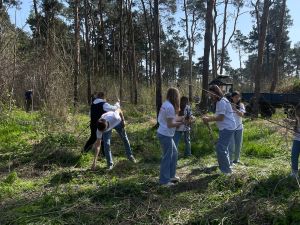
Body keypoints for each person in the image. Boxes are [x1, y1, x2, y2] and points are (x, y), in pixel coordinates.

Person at [202, 85, 236, 175]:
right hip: (226, 127)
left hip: (227, 127)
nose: (210, 95)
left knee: (220, 148)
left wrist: (208, 119)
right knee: (224, 148)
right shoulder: (220, 101)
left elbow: (220, 117)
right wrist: (209, 117)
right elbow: (219, 116)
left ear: (215, 92)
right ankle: (227, 166)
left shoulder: (221, 102)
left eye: (211, 93)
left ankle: (226, 171)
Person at [157, 87, 184, 186]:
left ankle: (171, 175)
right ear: (176, 96)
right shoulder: (169, 107)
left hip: (165, 133)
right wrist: (183, 123)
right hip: (165, 134)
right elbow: (170, 124)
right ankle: (164, 181)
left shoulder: (167, 104)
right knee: (167, 157)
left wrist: (183, 118)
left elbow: (173, 118)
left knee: (174, 153)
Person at [229, 91, 246, 165]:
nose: (237, 98)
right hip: (230, 127)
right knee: (231, 145)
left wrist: (235, 109)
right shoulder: (228, 105)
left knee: (238, 144)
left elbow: (242, 114)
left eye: (238, 97)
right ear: (232, 97)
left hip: (239, 127)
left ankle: (237, 159)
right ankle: (230, 160)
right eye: (236, 97)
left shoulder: (241, 105)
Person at [290, 104, 300, 178]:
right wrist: (288, 121)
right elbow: (294, 122)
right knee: (294, 155)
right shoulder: (297, 119)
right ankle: (294, 172)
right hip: (296, 140)